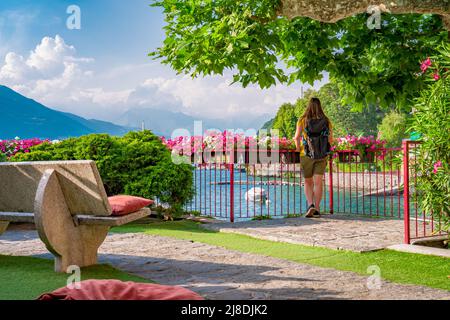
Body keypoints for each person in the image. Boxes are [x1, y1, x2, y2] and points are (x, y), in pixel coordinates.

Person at [294, 98, 333, 218]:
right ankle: (317, 207)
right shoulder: (326, 121)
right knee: (318, 182)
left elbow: (296, 137)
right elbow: (330, 139)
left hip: (306, 155)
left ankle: (310, 205)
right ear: (320, 106)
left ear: (308, 106)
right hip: (322, 154)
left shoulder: (303, 120)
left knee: (307, 181)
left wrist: (297, 148)